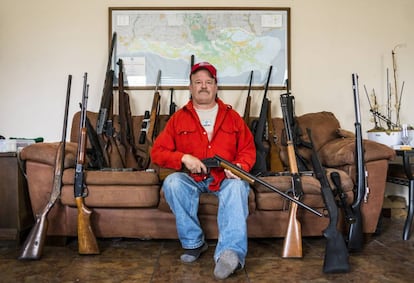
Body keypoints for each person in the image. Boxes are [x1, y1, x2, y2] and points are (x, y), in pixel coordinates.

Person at [150, 62, 256, 280]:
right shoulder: (178, 118)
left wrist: (240, 168)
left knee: (238, 187)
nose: (204, 86)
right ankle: (194, 244)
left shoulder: (232, 117)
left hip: (225, 179)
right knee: (172, 183)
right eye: (198, 82)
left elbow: (248, 150)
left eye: (209, 82)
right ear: (190, 88)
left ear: (216, 87)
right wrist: (183, 158)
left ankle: (230, 254)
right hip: (193, 179)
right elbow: (157, 152)